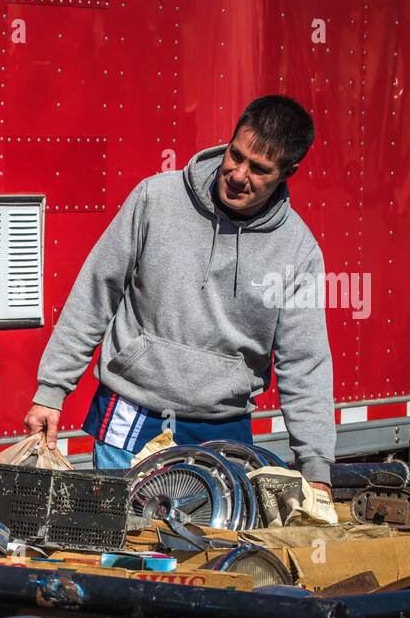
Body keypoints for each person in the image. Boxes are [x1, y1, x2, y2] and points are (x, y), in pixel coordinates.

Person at [24, 95, 335, 494]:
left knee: (214, 555)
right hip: (130, 419)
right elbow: (95, 294)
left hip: (225, 433)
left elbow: (304, 363)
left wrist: (315, 466)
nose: (238, 174)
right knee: (125, 553)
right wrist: (51, 391)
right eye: (235, 155)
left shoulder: (298, 249)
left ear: (289, 172)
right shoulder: (156, 198)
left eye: (258, 169)